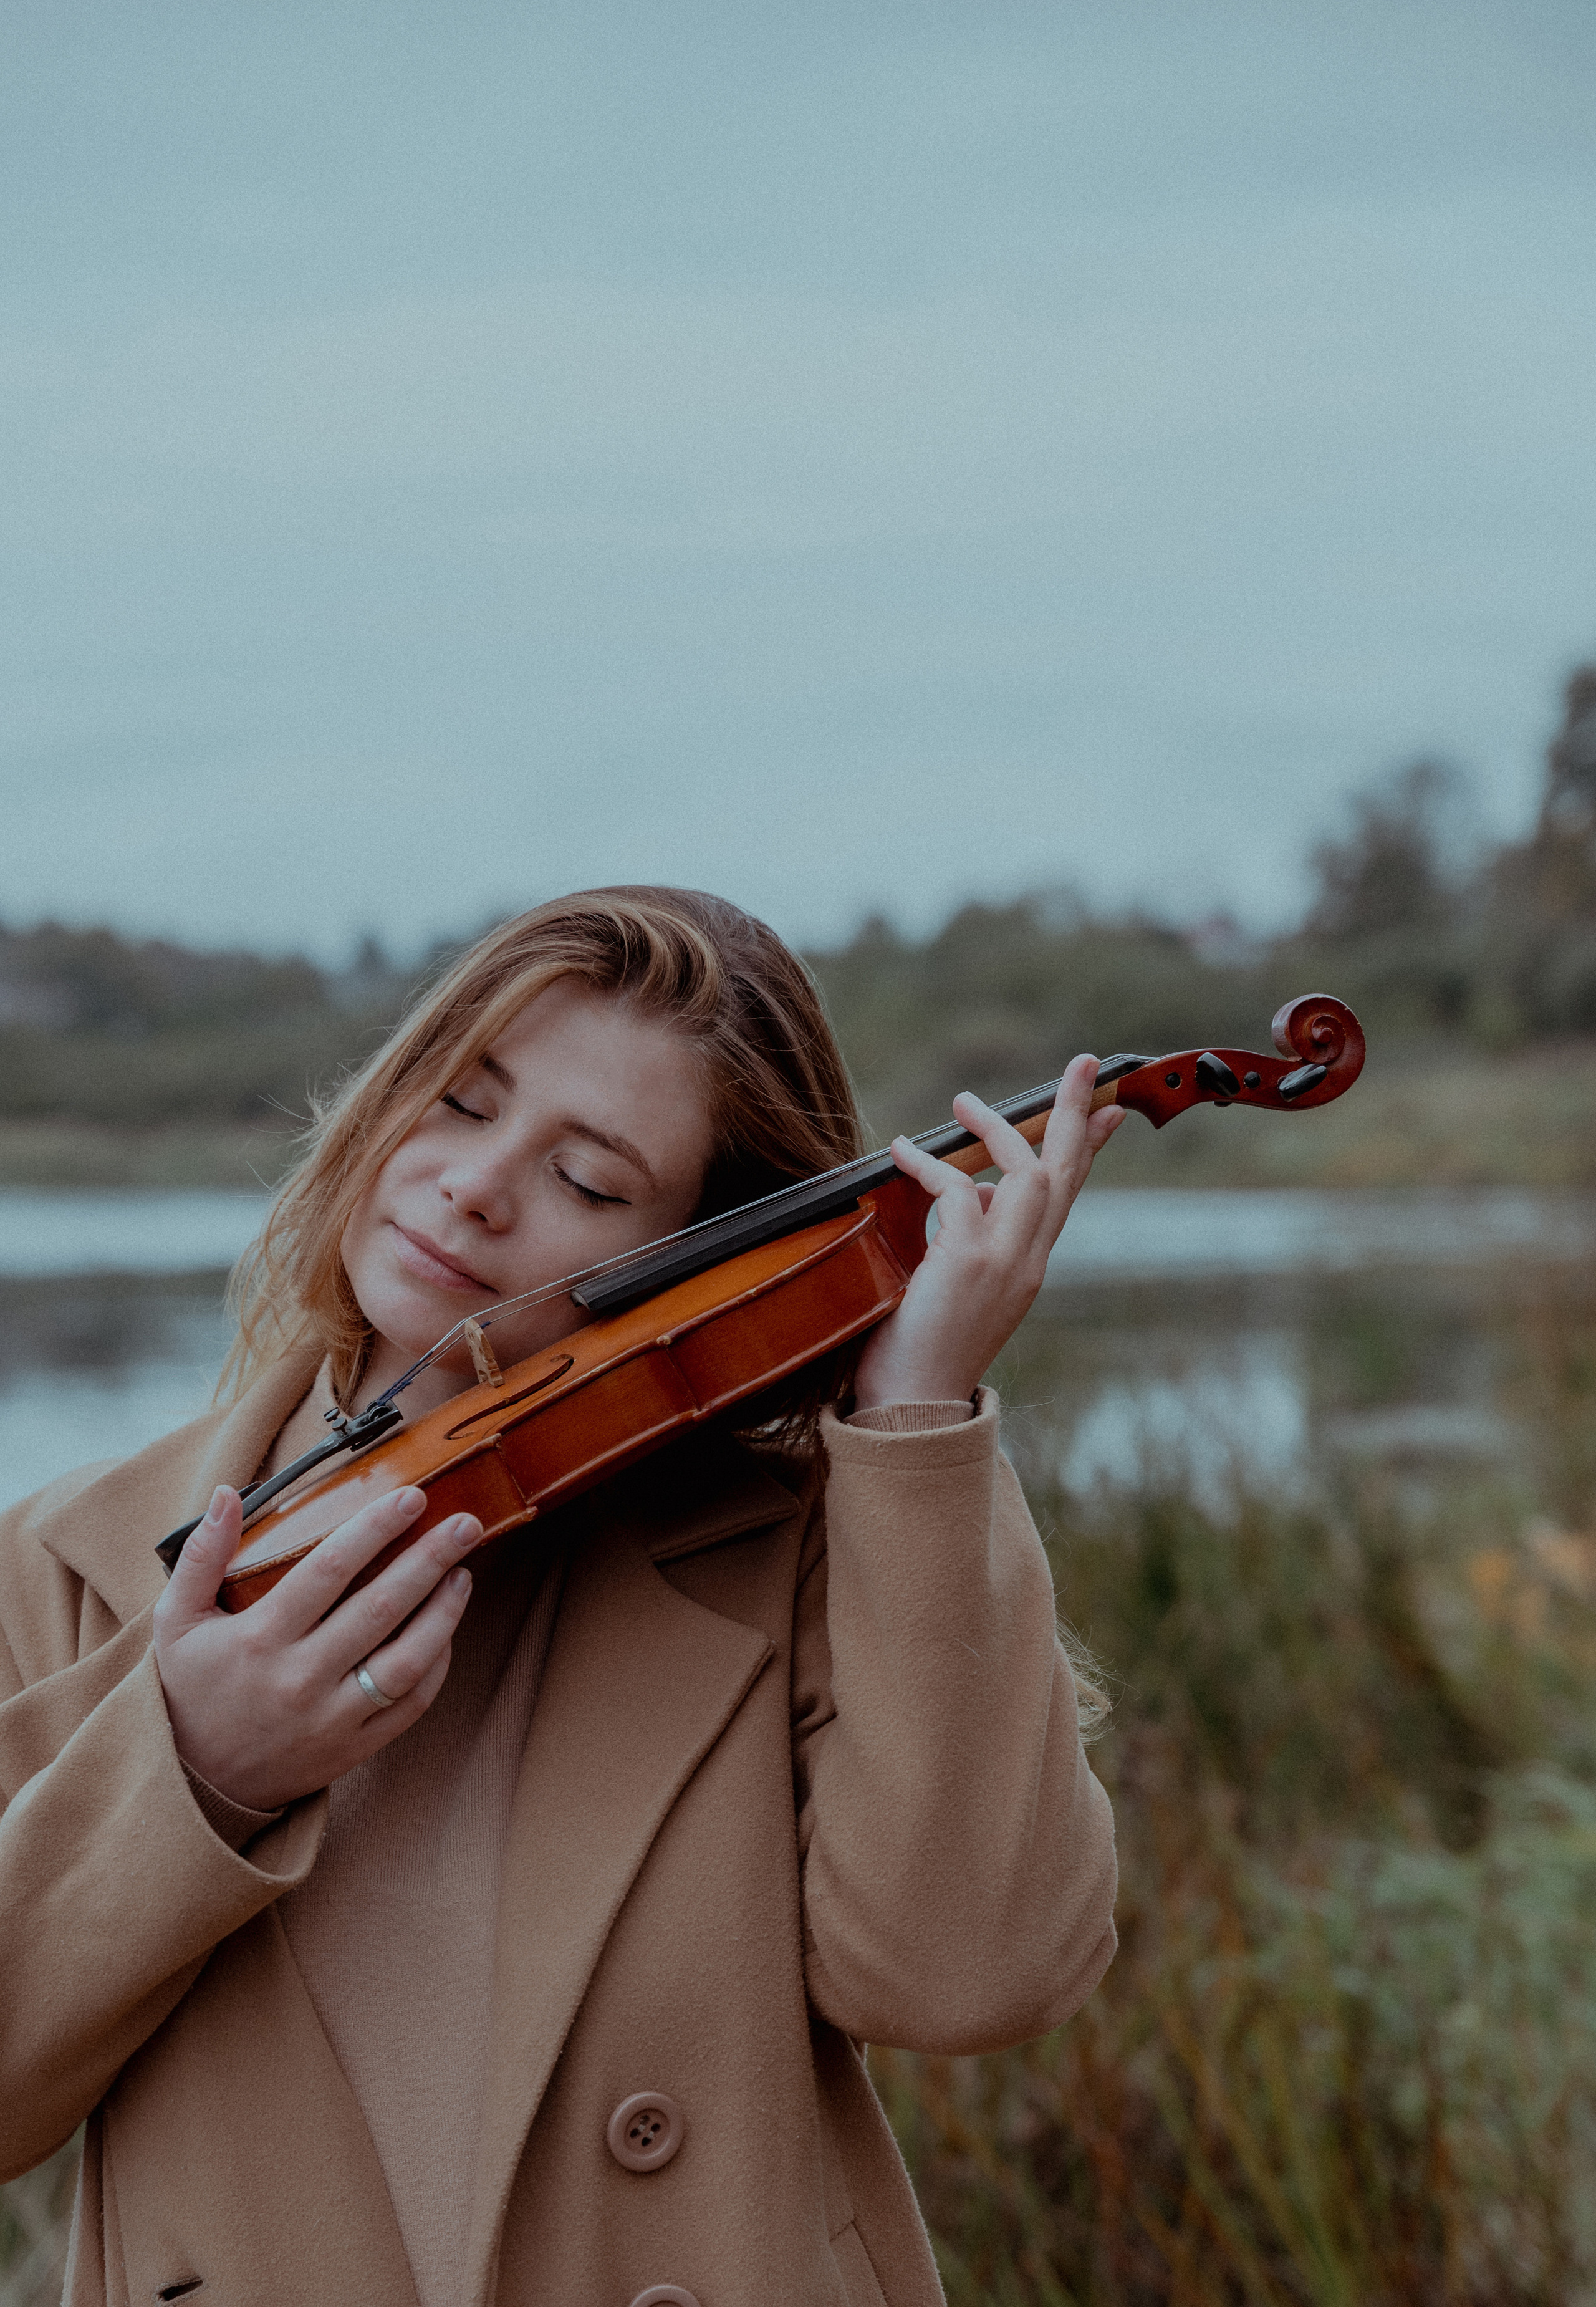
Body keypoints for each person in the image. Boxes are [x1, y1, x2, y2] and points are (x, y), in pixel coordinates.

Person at [0, 886, 1122, 2307]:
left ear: (694, 1265)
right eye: (458, 1104)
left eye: (590, 1184)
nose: (475, 1186)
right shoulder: (61, 1567)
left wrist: (918, 1425)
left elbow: (969, 1982)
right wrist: (196, 1779)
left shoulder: (804, 1552)